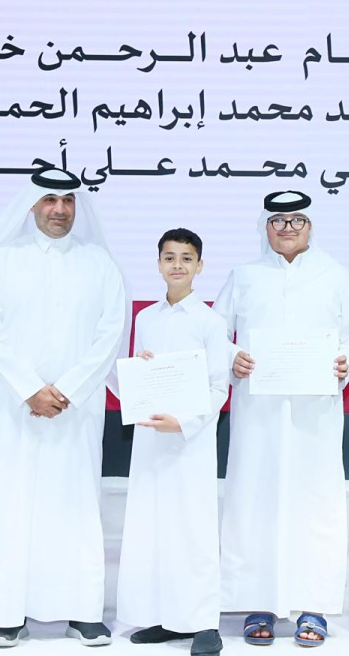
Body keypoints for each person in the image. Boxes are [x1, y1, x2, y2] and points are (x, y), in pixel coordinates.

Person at [0, 169, 129, 648]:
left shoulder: (98, 262)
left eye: (67, 201)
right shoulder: (0, 261)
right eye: (49, 201)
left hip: (75, 410)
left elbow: (111, 331)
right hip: (15, 408)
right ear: (32, 206)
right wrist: (28, 389)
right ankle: (5, 612)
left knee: (75, 503)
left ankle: (82, 611)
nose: (59, 209)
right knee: (11, 503)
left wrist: (68, 390)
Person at [213, 190, 349, 647]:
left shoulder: (333, 274)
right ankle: (257, 601)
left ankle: (313, 606)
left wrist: (344, 359)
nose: (286, 228)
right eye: (278, 220)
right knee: (253, 501)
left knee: (315, 503)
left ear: (310, 226)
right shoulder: (243, 276)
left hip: (314, 412)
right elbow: (215, 332)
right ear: (265, 227)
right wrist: (231, 357)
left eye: (296, 220)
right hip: (257, 411)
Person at [112, 228, 230, 656]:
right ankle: (165, 617)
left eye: (186, 258)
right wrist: (137, 372)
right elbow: (129, 378)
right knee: (153, 528)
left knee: (192, 529)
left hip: (189, 442)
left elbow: (219, 388)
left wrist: (183, 421)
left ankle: (203, 623)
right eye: (169, 257)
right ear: (158, 264)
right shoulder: (146, 319)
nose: (177, 265)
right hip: (149, 439)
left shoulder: (210, 322)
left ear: (200, 266)